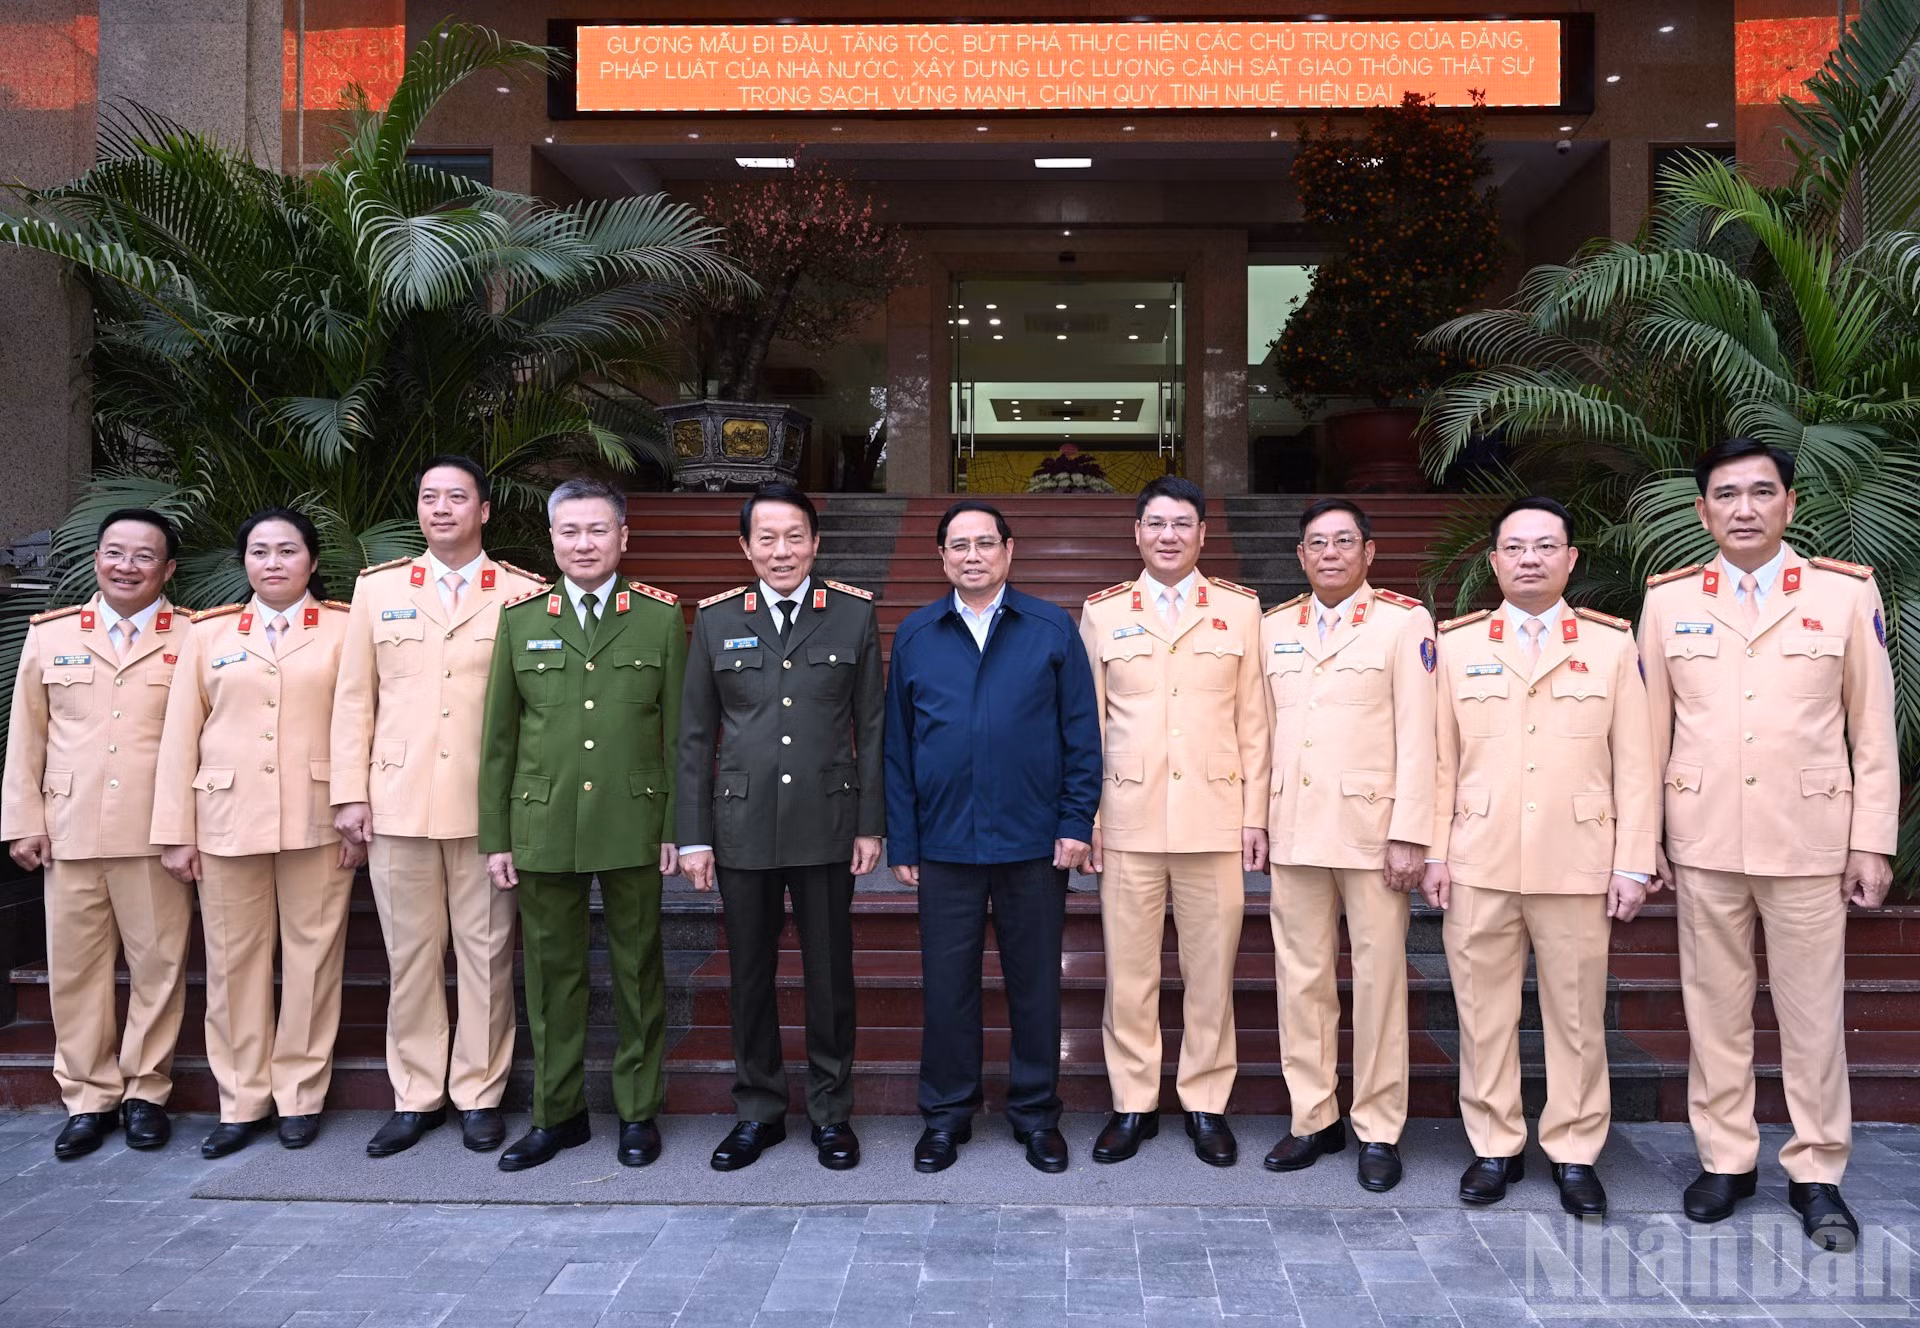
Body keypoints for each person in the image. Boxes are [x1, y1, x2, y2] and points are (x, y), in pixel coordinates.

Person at [1639, 438, 1899, 1252]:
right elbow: (1648, 736)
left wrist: (1873, 841)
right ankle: (1727, 1159)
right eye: (1726, 495)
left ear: (1790, 504)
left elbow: (1872, 728)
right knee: (1713, 1010)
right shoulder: (1669, 601)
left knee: (1812, 1016)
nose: (1743, 509)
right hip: (1704, 838)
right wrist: (1644, 838)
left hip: (1810, 840)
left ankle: (1817, 1171)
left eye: (1760, 493)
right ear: (1702, 510)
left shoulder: (1844, 595)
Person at [1420, 496, 1657, 1217]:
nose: (1530, 559)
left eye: (1545, 546)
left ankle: (1576, 1150)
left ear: (1570, 560)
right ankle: (1494, 1146)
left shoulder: (1613, 646)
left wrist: (1633, 861)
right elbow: (1438, 762)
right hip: (1478, 859)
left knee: (1578, 1016)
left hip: (1578, 862)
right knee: (1483, 1014)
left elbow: (1638, 764)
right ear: (1494, 562)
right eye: (1516, 548)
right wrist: (1434, 852)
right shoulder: (1456, 645)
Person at [331, 455, 547, 1158]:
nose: (442, 508)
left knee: (487, 958)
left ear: (484, 510)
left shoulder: (519, 593)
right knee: (412, 958)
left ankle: (480, 1094)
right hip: (396, 805)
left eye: (457, 497)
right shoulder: (379, 590)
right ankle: (416, 1094)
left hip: (487, 814)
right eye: (429, 497)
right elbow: (354, 699)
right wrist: (349, 794)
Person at [882, 500, 1102, 1175]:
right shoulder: (918, 634)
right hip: (945, 845)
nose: (972, 555)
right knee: (949, 986)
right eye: (958, 545)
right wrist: (905, 840)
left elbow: (1081, 734)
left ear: (1009, 551)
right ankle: (946, 1116)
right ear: (941, 557)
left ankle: (1036, 1116)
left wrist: (1074, 821)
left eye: (985, 543)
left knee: (1034, 984)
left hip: (1033, 843)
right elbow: (897, 745)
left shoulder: (1049, 628)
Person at [676, 483, 884, 1173]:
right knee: (750, 977)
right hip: (741, 828)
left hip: (826, 821)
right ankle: (757, 1111)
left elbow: (873, 729)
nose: (781, 550)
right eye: (766, 538)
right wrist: (695, 834)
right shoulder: (714, 621)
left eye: (794, 536)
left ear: (816, 543)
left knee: (830, 977)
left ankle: (831, 1113)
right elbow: (695, 734)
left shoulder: (852, 616)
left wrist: (870, 825)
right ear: (745, 547)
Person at [478, 477, 684, 1172]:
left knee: (636, 971)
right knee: (551, 976)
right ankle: (556, 1114)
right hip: (544, 822)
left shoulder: (659, 618)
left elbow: (680, 734)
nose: (584, 543)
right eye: (570, 531)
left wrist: (676, 826)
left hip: (633, 818)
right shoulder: (521, 619)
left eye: (598, 530)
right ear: (552, 539)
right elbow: (499, 740)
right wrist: (496, 836)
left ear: (623, 537)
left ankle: (636, 1111)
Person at [151, 507, 363, 1158]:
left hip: (317, 817)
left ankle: (300, 1095)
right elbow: (180, 735)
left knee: (312, 964)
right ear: (243, 562)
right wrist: (175, 832)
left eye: (287, 550)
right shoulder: (208, 635)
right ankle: (241, 1101)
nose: (273, 562)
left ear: (312, 562)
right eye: (260, 551)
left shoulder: (344, 630)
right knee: (233, 966)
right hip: (225, 821)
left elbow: (361, 722)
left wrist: (356, 809)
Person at [1078, 475, 1270, 1168]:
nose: (1168, 536)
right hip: (1128, 821)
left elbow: (1256, 722)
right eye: (1156, 524)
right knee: (1129, 975)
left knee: (1211, 973)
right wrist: (1091, 817)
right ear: (1137, 534)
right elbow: (1089, 726)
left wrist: (1256, 815)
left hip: (1215, 822)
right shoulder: (1101, 613)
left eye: (1181, 524)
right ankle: (1132, 1103)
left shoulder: (1240, 610)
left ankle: (1205, 1104)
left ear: (1202, 535)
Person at [2, 510, 194, 1159]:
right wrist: (22, 821)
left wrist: (187, 829)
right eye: (115, 553)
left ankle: (145, 1091)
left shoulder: (192, 638)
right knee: (76, 972)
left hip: (156, 835)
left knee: (158, 968)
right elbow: (25, 739)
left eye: (144, 557)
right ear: (96, 560)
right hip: (69, 831)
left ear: (167, 570)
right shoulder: (50, 636)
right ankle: (87, 1096)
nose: (127, 566)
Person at [1260, 499, 1436, 1193]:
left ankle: (1379, 1128)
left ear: (1369, 552)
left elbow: (1422, 736)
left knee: (1378, 984)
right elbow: (1261, 734)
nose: (1329, 553)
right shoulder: (1275, 627)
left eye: (1343, 541)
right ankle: (1313, 1118)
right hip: (1296, 831)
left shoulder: (1402, 623)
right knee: (1300, 984)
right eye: (1316, 543)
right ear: (1301, 557)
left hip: (1373, 836)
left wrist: (1411, 831)